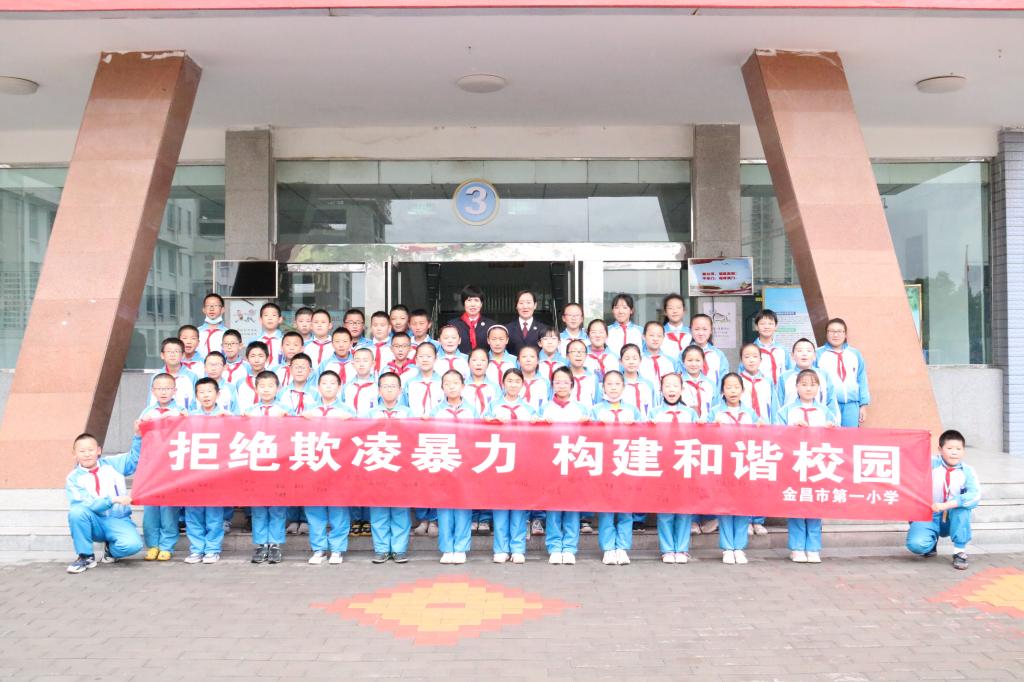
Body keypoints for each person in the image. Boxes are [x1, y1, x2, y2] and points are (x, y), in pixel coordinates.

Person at [775, 369, 839, 563]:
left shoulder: (825, 411)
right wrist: (792, 429)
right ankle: (797, 547)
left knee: (814, 504)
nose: (808, 389)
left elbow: (836, 437)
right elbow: (776, 434)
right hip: (795, 463)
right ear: (796, 387)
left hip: (817, 464)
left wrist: (831, 429)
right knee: (796, 503)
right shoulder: (786, 410)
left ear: (819, 387)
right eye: (804, 385)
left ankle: (813, 547)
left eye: (812, 385)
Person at [65, 431, 144, 574]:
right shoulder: (73, 478)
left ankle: (111, 550)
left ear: (99, 450)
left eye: (90, 450)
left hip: (118, 519)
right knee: (77, 512)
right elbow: (90, 504)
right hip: (94, 521)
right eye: (82, 451)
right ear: (74, 454)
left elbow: (134, 459)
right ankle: (86, 556)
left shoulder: (113, 464)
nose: (87, 454)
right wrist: (113, 499)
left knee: (133, 545)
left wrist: (138, 435)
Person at [300, 370, 355, 565]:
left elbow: (356, 436)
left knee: (338, 509)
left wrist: (350, 421)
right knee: (315, 509)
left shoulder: (347, 411)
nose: (328, 386)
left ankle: (337, 549)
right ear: (318, 387)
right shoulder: (309, 411)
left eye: (332, 383)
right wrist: (301, 420)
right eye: (324, 383)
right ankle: (319, 549)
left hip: (338, 466)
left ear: (339, 387)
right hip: (314, 466)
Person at [906, 429, 980, 570]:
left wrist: (947, 505)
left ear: (963, 451)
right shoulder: (931, 463)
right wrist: (920, 440)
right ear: (940, 449)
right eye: (949, 448)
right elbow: (911, 461)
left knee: (963, 509)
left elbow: (975, 496)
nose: (954, 452)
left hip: (952, 515)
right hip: (929, 513)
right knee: (916, 545)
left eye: (958, 449)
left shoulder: (968, 471)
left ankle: (959, 552)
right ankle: (930, 543)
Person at [540, 366, 591, 565]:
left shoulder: (581, 409)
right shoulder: (545, 408)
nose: (561, 385)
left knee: (572, 505)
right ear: (552, 385)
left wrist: (587, 423)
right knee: (553, 506)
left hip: (574, 462)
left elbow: (592, 435)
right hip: (552, 463)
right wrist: (539, 422)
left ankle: (569, 547)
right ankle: (554, 546)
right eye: (557, 382)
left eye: (565, 382)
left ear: (572, 384)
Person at [484, 368, 536, 563]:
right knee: (500, 505)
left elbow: (537, 435)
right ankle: (501, 548)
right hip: (499, 460)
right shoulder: (493, 406)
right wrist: (489, 421)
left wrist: (537, 422)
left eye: (517, 381)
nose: (513, 384)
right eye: (509, 381)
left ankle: (518, 548)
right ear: (503, 384)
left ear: (522, 384)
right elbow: (482, 428)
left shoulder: (529, 409)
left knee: (519, 506)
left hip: (521, 461)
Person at [592, 370, 642, 565]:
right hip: (604, 462)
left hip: (626, 461)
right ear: (603, 387)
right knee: (606, 507)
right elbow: (589, 436)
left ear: (623, 387)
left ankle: (622, 547)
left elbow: (643, 435)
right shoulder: (596, 410)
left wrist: (634, 426)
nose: (613, 388)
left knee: (625, 506)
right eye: (609, 384)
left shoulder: (632, 410)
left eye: (617, 384)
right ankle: (608, 547)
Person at [650, 373, 701, 564]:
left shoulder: (690, 413)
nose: (671, 390)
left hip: (685, 464)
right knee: (665, 508)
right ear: (661, 389)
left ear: (682, 389)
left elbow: (700, 437)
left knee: (684, 508)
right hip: (663, 464)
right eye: (667, 386)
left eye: (675, 386)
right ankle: (666, 549)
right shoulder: (654, 413)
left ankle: (682, 548)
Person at [430, 370, 479, 564]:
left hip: (465, 463)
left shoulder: (472, 410)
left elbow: (479, 435)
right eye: (447, 383)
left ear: (463, 386)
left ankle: (461, 547)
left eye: (455, 383)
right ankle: (446, 548)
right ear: (442, 387)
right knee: (444, 507)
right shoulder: (435, 411)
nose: (451, 386)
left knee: (463, 506)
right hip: (442, 462)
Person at [244, 370, 292, 564]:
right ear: (256, 389)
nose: (266, 390)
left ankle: (275, 544)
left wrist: (287, 420)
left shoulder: (285, 410)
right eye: (262, 386)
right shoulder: (249, 411)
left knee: (277, 506)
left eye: (270, 386)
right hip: (256, 464)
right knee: (258, 506)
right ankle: (261, 544)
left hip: (278, 464)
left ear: (277, 388)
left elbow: (294, 434)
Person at [709, 373, 756, 564]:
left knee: (742, 505)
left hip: (744, 463)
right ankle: (727, 547)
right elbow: (705, 436)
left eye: (736, 387)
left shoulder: (750, 413)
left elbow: (760, 436)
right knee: (725, 505)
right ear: (722, 391)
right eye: (728, 387)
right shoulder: (715, 412)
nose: (733, 391)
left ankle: (740, 547)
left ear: (742, 390)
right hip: (724, 463)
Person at [183, 377, 232, 565]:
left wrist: (230, 420)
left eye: (209, 391)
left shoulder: (227, 416)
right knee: (193, 513)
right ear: (196, 396)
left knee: (214, 514)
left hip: (216, 473)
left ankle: (212, 549)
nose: (205, 395)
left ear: (217, 394)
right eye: (201, 392)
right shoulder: (189, 418)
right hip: (194, 472)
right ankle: (196, 549)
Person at [366, 372, 414, 563]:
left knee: (400, 509)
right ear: (379, 390)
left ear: (400, 390)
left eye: (393, 386)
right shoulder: (370, 414)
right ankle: (381, 549)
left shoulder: (408, 413)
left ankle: (399, 549)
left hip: (400, 467)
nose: (389, 390)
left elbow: (414, 438)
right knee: (378, 509)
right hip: (377, 466)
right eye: (385, 386)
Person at [139, 373, 184, 562]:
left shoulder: (181, 412)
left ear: (174, 390)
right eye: (159, 388)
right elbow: (140, 436)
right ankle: (153, 545)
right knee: (151, 510)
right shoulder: (148, 412)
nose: (163, 392)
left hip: (171, 467)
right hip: (151, 468)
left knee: (168, 509)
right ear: (153, 391)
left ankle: (166, 545)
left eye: (167, 388)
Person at [405, 342, 443, 537]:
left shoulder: (443, 381)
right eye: (421, 356)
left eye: (429, 356)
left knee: (437, 476)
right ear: (416, 359)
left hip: (439, 435)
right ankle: (422, 518)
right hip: (415, 434)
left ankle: (435, 518)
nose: (425, 359)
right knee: (418, 477)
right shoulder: (409, 382)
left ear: (436, 359)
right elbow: (404, 407)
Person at [815, 317, 870, 427]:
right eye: (832, 331)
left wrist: (863, 405)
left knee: (850, 436)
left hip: (851, 405)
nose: (836, 335)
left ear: (845, 334)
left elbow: (862, 379)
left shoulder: (855, 354)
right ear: (826, 333)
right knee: (829, 435)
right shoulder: (817, 354)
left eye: (840, 331)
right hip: (828, 405)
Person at [775, 338, 838, 415]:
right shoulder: (784, 377)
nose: (804, 354)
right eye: (799, 351)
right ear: (792, 356)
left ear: (814, 356)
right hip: (791, 419)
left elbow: (832, 402)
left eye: (808, 351)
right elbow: (778, 404)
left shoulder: (824, 375)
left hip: (819, 419)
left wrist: (832, 420)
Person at [449, 284, 498, 355]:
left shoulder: (491, 325)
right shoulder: (453, 325)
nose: (473, 304)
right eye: (469, 300)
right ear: (463, 303)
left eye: (476, 300)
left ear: (481, 303)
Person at [152, 337, 197, 411]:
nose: (172, 354)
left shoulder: (192, 376)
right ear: (162, 355)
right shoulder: (156, 377)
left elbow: (196, 403)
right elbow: (152, 402)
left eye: (176, 351)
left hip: (186, 416)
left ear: (183, 355)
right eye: (169, 351)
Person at [738, 342, 775, 426]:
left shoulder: (767, 381)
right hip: (743, 426)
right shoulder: (737, 381)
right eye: (747, 357)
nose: (751, 360)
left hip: (765, 426)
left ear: (760, 360)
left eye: (755, 356)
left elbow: (774, 407)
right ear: (741, 360)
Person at [689, 314, 729, 387]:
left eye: (705, 329)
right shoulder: (684, 354)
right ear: (690, 330)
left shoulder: (718, 354)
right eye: (697, 329)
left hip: (715, 393)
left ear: (711, 330)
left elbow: (724, 378)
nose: (701, 333)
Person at [619, 344, 657, 420]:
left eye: (635, 358)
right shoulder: (618, 385)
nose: (631, 362)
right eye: (627, 359)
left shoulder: (648, 384)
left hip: (647, 425)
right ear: (620, 361)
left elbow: (654, 408)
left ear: (640, 360)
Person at [753, 309, 789, 386]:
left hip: (779, 390)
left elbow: (789, 372)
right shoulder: (750, 350)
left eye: (770, 323)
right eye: (762, 323)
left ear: (776, 327)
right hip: (758, 390)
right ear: (756, 327)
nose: (766, 327)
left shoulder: (782, 349)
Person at [506, 289, 547, 355]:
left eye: (528, 302)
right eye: (521, 303)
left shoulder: (544, 329)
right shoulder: (507, 329)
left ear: (535, 305)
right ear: (516, 306)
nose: (525, 306)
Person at [234, 341, 270, 412]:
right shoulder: (240, 382)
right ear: (247, 359)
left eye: (260, 356)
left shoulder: (273, 381)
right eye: (253, 356)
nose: (256, 360)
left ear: (267, 358)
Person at [342, 347, 379, 416]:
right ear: (353, 364)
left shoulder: (378, 386)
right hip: (349, 422)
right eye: (357, 361)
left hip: (372, 422)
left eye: (365, 360)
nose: (361, 364)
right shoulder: (346, 386)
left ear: (373, 363)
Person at [565, 339, 600, 409]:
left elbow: (597, 403)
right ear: (567, 356)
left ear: (586, 355)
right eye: (574, 351)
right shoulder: (562, 377)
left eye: (582, 351)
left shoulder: (593, 378)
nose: (578, 354)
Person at [638, 321, 675, 388]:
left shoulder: (671, 361)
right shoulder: (638, 361)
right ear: (643, 336)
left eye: (659, 336)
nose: (655, 339)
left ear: (663, 337)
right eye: (651, 335)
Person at [517, 345, 550, 414]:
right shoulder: (513, 381)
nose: (528, 360)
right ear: (518, 361)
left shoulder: (545, 382)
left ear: (538, 361)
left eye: (532, 357)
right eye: (524, 357)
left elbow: (550, 404)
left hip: (540, 419)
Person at [661, 293, 692, 364]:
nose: (675, 311)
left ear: (684, 310)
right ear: (665, 312)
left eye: (678, 307)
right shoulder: (659, 333)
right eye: (670, 308)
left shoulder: (691, 333)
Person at [256, 302, 285, 368]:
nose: (270, 318)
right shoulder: (254, 341)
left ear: (280, 319)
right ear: (260, 320)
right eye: (266, 315)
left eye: (274, 315)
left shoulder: (286, 340)